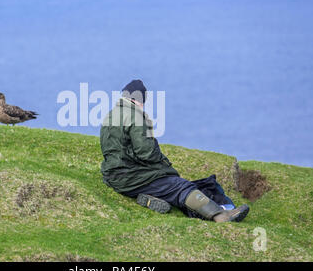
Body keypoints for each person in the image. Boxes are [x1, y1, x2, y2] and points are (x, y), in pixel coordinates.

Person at [99, 79, 249, 222]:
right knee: (181, 186)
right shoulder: (135, 116)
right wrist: (164, 164)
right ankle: (221, 215)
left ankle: (148, 198)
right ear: (140, 99)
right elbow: (146, 152)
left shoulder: (110, 116)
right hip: (132, 177)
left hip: (114, 178)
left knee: (165, 185)